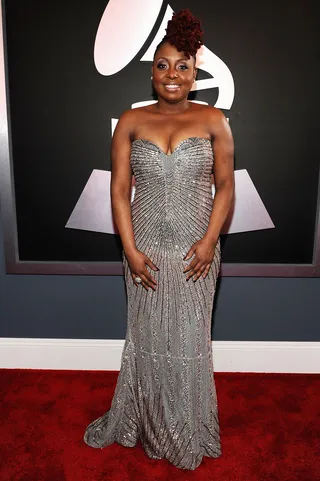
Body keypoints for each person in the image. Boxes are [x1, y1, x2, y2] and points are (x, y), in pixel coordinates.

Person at [84, 9, 234, 471]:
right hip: (144, 245)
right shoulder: (130, 120)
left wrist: (209, 242)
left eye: (182, 66)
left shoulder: (214, 121)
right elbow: (118, 190)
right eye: (163, 65)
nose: (172, 75)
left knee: (190, 338)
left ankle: (187, 425)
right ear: (152, 72)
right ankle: (147, 422)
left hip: (196, 248)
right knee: (147, 334)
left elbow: (225, 187)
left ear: (195, 73)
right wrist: (129, 250)